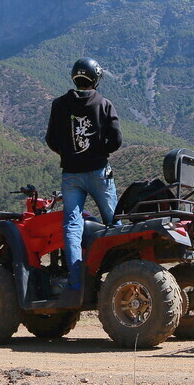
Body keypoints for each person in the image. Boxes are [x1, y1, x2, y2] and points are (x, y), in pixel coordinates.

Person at [45, 57, 122, 294]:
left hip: (71, 175)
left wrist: (69, 154)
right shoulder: (104, 104)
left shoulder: (59, 104)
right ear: (96, 78)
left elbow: (51, 139)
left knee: (72, 226)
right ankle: (120, 274)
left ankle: (75, 281)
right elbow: (117, 140)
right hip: (99, 171)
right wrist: (100, 152)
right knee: (114, 221)